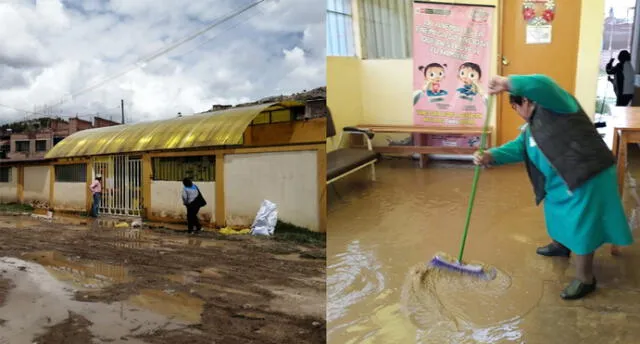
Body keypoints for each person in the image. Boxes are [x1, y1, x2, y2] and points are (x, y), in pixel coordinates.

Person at [473, 74, 633, 300]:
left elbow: (544, 84)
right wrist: (490, 155)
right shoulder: (530, 128)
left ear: (526, 102)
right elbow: (518, 148)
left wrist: (507, 83)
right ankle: (561, 245)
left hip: (586, 175)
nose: (517, 113)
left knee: (581, 226)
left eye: (516, 107)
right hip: (560, 182)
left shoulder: (559, 105)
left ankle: (585, 278)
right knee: (556, 213)